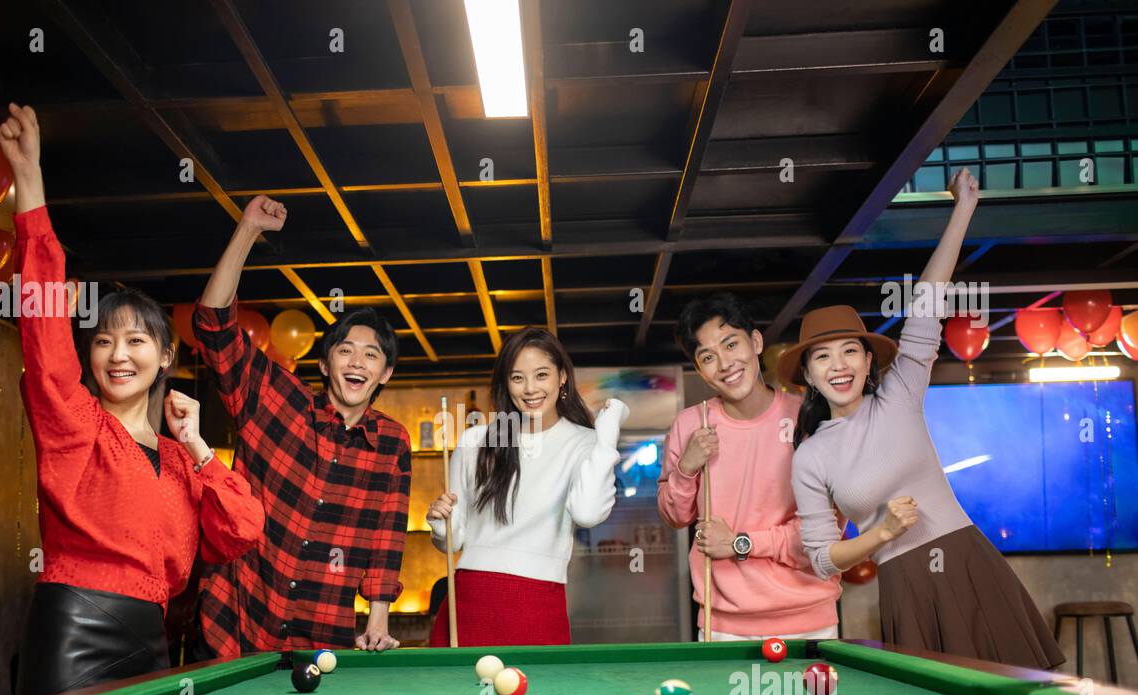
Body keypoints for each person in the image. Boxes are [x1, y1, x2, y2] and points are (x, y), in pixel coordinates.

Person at [0, 104, 265, 695]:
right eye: (103, 341)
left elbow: (243, 531)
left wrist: (198, 447)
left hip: (154, 634)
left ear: (165, 357)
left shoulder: (177, 458)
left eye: (136, 340)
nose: (118, 355)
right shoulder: (72, 419)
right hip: (74, 623)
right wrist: (29, 179)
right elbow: (42, 323)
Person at [785, 168, 1064, 669]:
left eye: (851, 351)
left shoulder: (900, 395)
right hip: (905, 584)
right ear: (807, 373)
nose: (839, 365)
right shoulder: (810, 456)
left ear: (871, 361)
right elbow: (824, 559)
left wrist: (963, 209)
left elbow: (928, 303)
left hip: (969, 562)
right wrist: (882, 534)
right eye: (822, 357)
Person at [192, 197, 411, 657]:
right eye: (346, 350)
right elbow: (213, 325)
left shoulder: (392, 442)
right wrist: (248, 230)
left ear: (385, 373)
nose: (357, 362)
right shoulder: (273, 395)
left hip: (322, 638)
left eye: (372, 355)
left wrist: (378, 618)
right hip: (234, 620)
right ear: (325, 361)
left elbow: (387, 536)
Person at [426, 328, 627, 647]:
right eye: (517, 378)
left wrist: (605, 437)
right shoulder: (477, 440)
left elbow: (588, 514)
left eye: (541, 375)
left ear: (562, 377)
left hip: (537, 603)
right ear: (506, 383)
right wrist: (440, 523)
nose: (530, 388)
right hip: (469, 600)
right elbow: (453, 541)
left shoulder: (585, 443)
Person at [658, 293, 840, 642]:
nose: (724, 363)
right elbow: (675, 516)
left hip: (809, 621)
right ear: (699, 369)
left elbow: (825, 532)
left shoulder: (808, 419)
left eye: (731, 345)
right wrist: (686, 469)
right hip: (723, 625)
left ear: (756, 342)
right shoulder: (690, 424)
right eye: (708, 357)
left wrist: (741, 543)